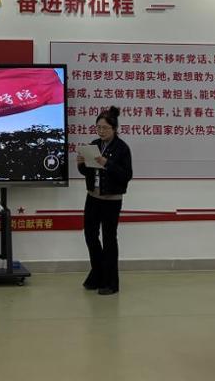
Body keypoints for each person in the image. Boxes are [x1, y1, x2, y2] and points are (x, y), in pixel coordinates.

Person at [77, 107, 132, 295]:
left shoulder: (122, 148)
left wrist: (107, 163)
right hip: (93, 196)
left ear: (114, 128)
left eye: (105, 128)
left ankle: (111, 282)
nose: (101, 131)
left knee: (109, 239)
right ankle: (98, 274)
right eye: (98, 127)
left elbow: (126, 175)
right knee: (90, 235)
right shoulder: (94, 145)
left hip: (111, 200)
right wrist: (81, 165)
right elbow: (88, 172)